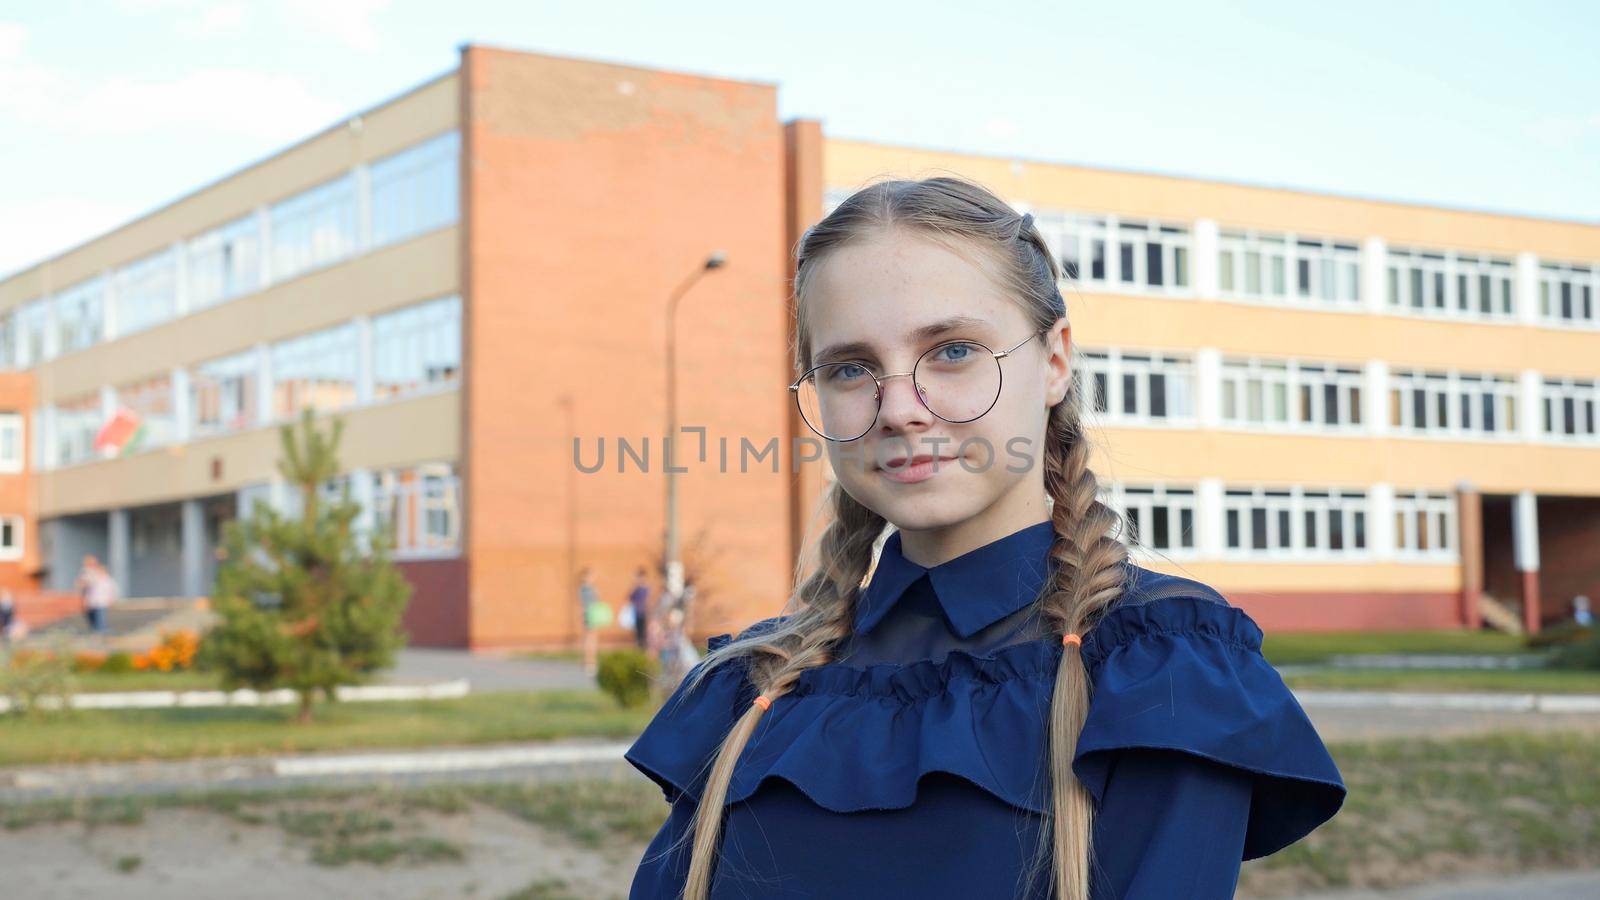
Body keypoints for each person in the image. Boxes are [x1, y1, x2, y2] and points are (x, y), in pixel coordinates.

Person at [624, 178, 1347, 899]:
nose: (900, 409)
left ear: (1055, 359)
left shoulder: (1157, 675)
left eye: (953, 351)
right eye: (851, 368)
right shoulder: (750, 691)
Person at [577, 566, 611, 677]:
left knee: (590, 639)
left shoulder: (584, 588)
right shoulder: (587, 589)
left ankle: (589, 661)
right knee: (590, 640)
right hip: (591, 615)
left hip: (591, 615)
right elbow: (590, 603)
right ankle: (590, 662)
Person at [76, 555, 117, 636]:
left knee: (100, 619)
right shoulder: (87, 573)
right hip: (91, 601)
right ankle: (98, 632)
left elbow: (111, 589)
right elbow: (82, 586)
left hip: (100, 601)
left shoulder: (104, 578)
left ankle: (100, 633)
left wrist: (110, 598)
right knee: (93, 619)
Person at [627, 566, 653, 650]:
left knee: (644, 630)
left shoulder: (646, 588)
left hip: (644, 612)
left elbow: (649, 600)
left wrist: (649, 610)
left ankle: (644, 646)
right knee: (638, 631)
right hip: (637, 612)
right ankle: (639, 646)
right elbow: (630, 597)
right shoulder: (636, 588)